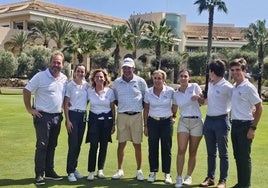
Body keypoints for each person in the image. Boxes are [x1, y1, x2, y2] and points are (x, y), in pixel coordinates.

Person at [23, 51, 67, 186]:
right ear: (50, 62)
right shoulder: (40, 76)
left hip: (57, 116)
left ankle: (49, 171)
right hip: (43, 117)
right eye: (54, 62)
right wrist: (30, 109)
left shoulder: (64, 78)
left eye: (59, 63)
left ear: (62, 64)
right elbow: (26, 90)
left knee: (52, 145)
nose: (56, 65)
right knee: (42, 145)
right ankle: (39, 174)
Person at [112, 57, 148, 180]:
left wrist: (135, 107)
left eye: (129, 68)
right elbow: (115, 99)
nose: (127, 70)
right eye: (125, 68)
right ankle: (120, 169)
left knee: (137, 144)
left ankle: (139, 170)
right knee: (121, 144)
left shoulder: (141, 81)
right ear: (122, 69)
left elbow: (145, 99)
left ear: (133, 68)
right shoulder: (116, 82)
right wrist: (125, 107)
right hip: (122, 115)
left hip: (137, 116)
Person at [199, 59, 232, 188]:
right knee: (211, 152)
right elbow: (207, 101)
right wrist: (200, 99)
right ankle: (210, 177)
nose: (209, 73)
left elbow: (237, 100)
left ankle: (222, 180)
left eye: (210, 71)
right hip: (209, 120)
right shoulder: (210, 84)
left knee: (223, 153)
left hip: (221, 121)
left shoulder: (228, 87)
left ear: (213, 71)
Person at [229, 58, 262, 188]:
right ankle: (241, 183)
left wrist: (253, 128)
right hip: (235, 125)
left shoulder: (248, 87)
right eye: (232, 70)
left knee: (244, 156)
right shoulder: (234, 86)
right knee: (237, 156)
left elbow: (259, 107)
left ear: (244, 70)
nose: (235, 72)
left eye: (238, 70)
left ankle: (245, 185)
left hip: (245, 125)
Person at [172, 69, 203, 188]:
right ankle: (179, 177)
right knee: (181, 150)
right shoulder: (176, 93)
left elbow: (202, 101)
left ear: (189, 77)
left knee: (193, 151)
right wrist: (173, 117)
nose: (183, 78)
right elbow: (174, 109)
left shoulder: (195, 86)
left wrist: (197, 97)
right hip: (183, 121)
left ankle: (188, 176)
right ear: (178, 78)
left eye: (185, 76)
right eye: (181, 76)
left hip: (197, 122)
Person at [143, 69, 175, 184]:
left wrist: (174, 116)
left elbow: (175, 105)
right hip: (152, 122)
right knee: (153, 148)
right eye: (155, 78)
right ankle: (153, 172)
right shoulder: (148, 92)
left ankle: (167, 173)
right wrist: (145, 125)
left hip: (166, 122)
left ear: (164, 80)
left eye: (159, 78)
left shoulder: (170, 91)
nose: (157, 80)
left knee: (166, 148)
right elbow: (146, 109)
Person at [86, 69, 115, 181]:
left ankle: (100, 170)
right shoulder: (89, 91)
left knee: (104, 146)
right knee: (93, 146)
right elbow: (84, 103)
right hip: (93, 121)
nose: (99, 79)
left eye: (101, 77)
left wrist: (113, 124)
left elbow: (112, 108)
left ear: (105, 78)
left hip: (106, 121)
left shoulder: (110, 92)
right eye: (97, 77)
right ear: (93, 78)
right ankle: (91, 171)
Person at [63, 63, 88, 182]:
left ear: (85, 73)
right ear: (75, 72)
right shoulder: (70, 85)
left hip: (82, 116)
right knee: (73, 144)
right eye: (78, 71)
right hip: (72, 116)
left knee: (78, 144)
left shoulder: (87, 85)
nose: (80, 73)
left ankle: (74, 168)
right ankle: (70, 171)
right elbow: (66, 103)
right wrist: (67, 120)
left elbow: (87, 100)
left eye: (82, 72)